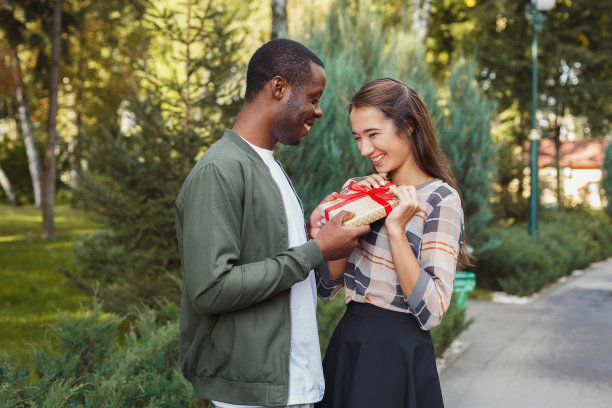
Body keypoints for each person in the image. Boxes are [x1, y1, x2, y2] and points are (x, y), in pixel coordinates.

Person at [174, 39, 370, 408]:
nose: (319, 111)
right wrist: (314, 250)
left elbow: (285, 267)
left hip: (290, 385)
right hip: (252, 392)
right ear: (278, 88)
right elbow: (210, 288)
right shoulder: (220, 170)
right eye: (313, 98)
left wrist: (319, 237)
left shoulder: (270, 166)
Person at [312, 78, 470, 408]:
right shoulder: (358, 188)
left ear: (408, 127)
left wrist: (396, 230)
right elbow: (327, 287)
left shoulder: (441, 200)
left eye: (372, 134)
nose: (364, 149)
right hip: (350, 343)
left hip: (400, 353)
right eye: (358, 138)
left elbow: (432, 311)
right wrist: (345, 218)